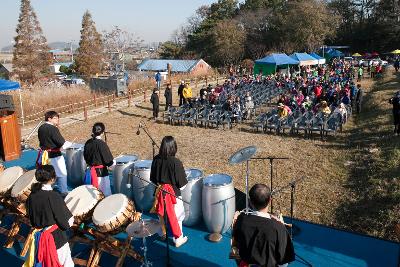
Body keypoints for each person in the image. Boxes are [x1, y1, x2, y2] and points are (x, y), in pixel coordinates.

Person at [232, 184, 295, 267]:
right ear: (270, 200)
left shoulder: (241, 219)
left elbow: (235, 246)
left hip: (246, 263)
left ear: (250, 201)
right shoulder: (278, 227)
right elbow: (284, 258)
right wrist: (281, 226)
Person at [25, 165, 74, 267]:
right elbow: (65, 224)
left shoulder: (31, 196)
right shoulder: (53, 196)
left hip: (39, 238)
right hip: (56, 238)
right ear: (52, 179)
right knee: (66, 264)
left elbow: (30, 217)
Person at [150, 136, 188, 248]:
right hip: (173, 195)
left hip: (159, 192)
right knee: (177, 216)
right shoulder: (176, 162)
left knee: (161, 214)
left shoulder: (156, 159)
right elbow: (182, 185)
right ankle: (178, 238)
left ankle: (162, 233)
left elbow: (152, 179)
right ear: (173, 148)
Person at [37, 111, 73, 196]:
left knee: (48, 173)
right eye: (55, 118)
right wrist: (70, 144)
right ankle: (63, 191)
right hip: (54, 155)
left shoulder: (41, 127)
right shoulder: (52, 128)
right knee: (62, 173)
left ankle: (47, 190)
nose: (57, 120)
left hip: (44, 154)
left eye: (58, 118)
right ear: (49, 118)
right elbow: (61, 142)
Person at [83, 122, 114, 196]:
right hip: (101, 173)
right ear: (102, 132)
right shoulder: (101, 144)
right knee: (104, 193)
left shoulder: (88, 142)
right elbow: (108, 161)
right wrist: (112, 164)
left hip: (90, 171)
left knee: (92, 193)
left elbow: (85, 156)